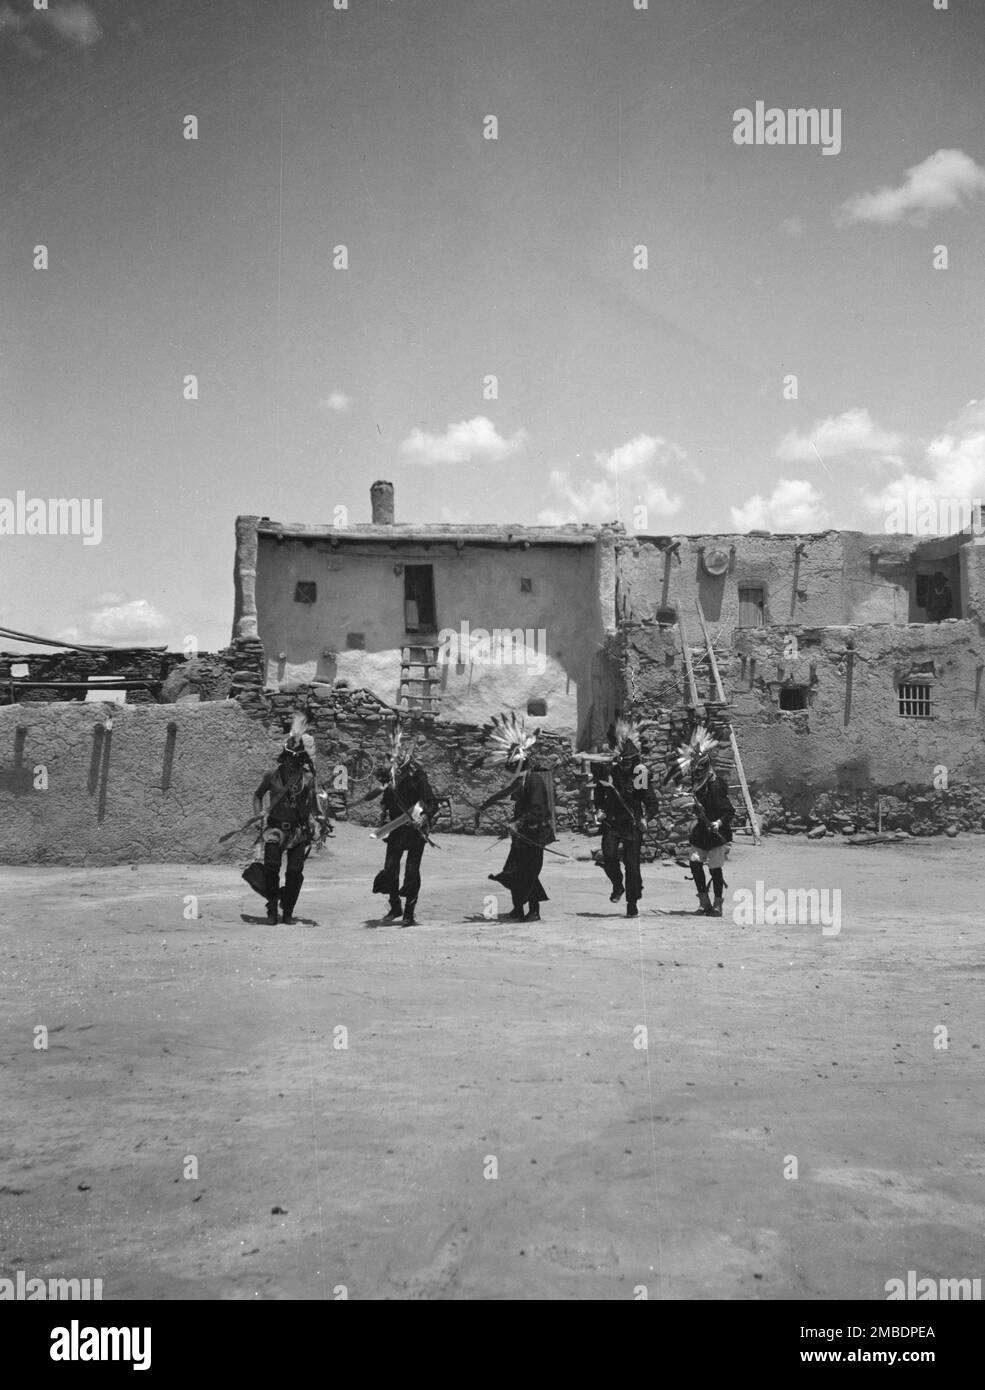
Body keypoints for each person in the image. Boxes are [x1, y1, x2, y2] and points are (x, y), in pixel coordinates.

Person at [473, 711, 556, 923]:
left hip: (535, 835)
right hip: (521, 835)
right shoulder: (522, 780)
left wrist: (517, 823)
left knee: (529, 872)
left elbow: (537, 810)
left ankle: (534, 910)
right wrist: (484, 806)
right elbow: (504, 792)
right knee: (513, 870)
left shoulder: (535, 781)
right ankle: (518, 908)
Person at [251, 714, 325, 925]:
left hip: (298, 831)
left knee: (295, 871)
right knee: (272, 868)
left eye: (297, 758)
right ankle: (272, 908)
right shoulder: (271, 775)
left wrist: (318, 821)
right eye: (290, 757)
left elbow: (313, 803)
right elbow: (257, 795)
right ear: (284, 756)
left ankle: (289, 909)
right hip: (275, 829)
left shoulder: (307, 778)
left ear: (301, 759)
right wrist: (258, 815)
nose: (293, 762)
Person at [368, 726, 439, 926]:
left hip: (416, 833)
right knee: (390, 869)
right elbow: (386, 802)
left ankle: (409, 913)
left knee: (411, 871)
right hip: (396, 831)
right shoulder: (390, 782)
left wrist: (424, 818)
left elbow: (432, 803)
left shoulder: (418, 779)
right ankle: (395, 906)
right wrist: (383, 820)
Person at [591, 719, 653, 919]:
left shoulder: (640, 774)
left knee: (632, 866)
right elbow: (599, 794)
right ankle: (618, 885)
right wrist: (598, 810)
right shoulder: (610, 773)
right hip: (612, 822)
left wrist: (646, 818)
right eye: (623, 761)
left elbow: (650, 801)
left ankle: (632, 903)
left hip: (632, 824)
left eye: (630, 761)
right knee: (608, 856)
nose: (626, 765)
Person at [675, 725, 734, 917]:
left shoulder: (715, 786)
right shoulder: (697, 786)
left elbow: (729, 811)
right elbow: (696, 807)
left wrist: (718, 823)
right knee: (694, 863)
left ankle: (717, 904)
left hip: (716, 834)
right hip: (702, 832)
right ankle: (704, 902)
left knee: (715, 869)